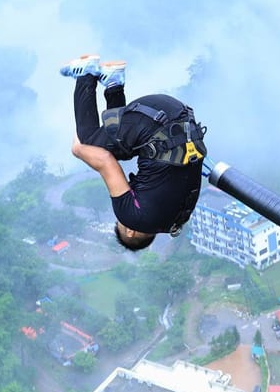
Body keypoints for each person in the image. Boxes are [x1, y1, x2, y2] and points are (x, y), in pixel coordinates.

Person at [61, 54, 207, 251]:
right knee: (89, 140)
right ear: (130, 232)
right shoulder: (132, 218)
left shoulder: (175, 218)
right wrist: (79, 151)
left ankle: (113, 83)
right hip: (154, 125)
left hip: (176, 116)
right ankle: (85, 73)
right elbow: (104, 160)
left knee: (120, 146)